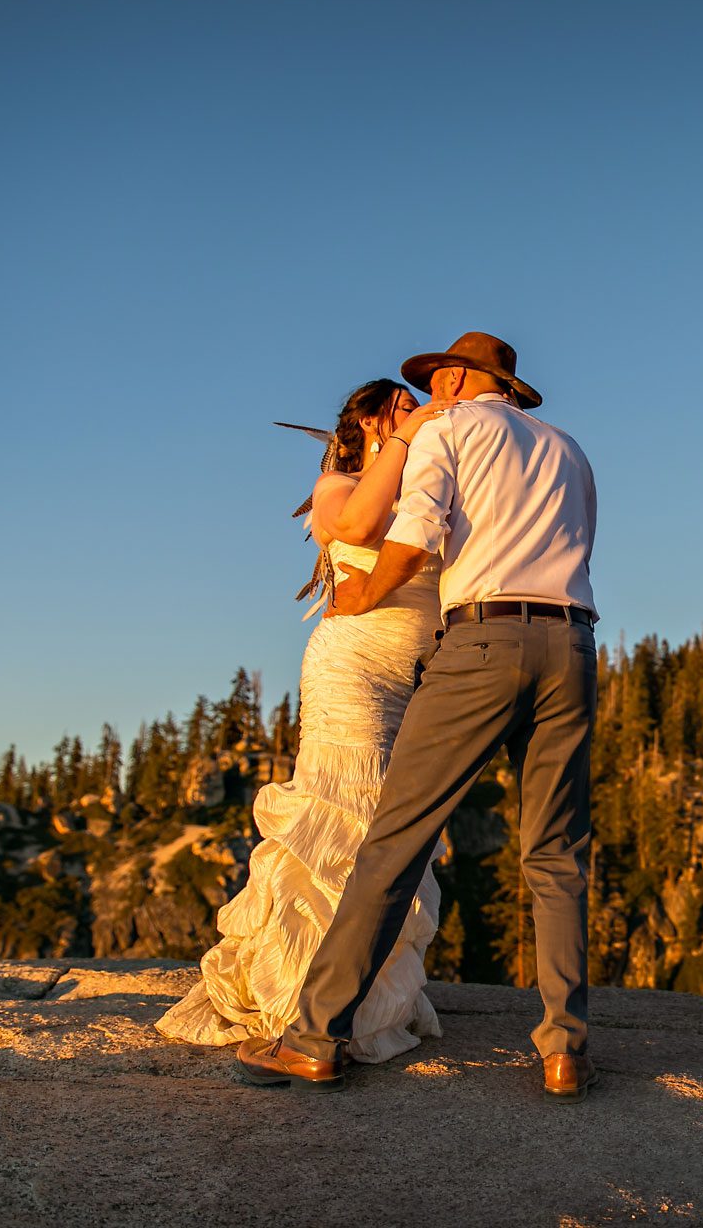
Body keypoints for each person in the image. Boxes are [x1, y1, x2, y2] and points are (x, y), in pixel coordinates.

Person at [235, 331, 600, 1101]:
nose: (431, 394)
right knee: (557, 855)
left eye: (438, 379)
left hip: (481, 643)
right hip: (574, 645)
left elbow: (410, 535)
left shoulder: (449, 430)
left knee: (394, 841)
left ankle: (314, 1039)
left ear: (462, 379)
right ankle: (564, 1051)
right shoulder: (570, 450)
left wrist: (363, 596)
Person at [156, 379, 457, 1062]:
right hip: (350, 668)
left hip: (408, 679)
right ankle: (304, 994)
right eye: (406, 405)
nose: (423, 411)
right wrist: (406, 442)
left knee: (386, 821)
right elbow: (351, 529)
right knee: (342, 815)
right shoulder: (340, 484)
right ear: (373, 419)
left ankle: (361, 988)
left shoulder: (432, 491)